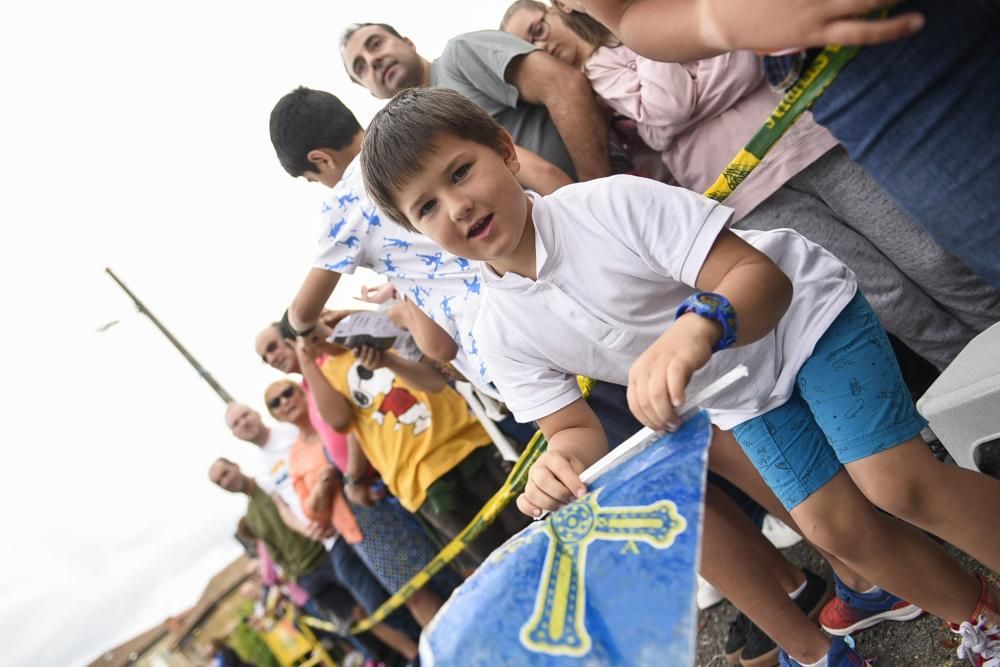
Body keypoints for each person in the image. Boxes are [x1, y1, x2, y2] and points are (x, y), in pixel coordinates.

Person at [358, 86, 1000, 667]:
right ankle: (981, 617)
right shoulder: (496, 332)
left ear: (505, 150)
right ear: (420, 235)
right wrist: (558, 469)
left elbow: (761, 280)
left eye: (461, 171)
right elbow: (573, 430)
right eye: (428, 207)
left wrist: (696, 327)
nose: (458, 205)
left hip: (806, 320)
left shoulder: (607, 204)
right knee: (835, 531)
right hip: (742, 394)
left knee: (895, 484)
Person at [500, 0, 1000, 371]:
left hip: (812, 142)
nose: (542, 44)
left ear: (561, 9)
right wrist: (688, 52)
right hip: (749, 197)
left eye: (539, 27)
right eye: (530, 45)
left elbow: (747, 53)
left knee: (932, 255)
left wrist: (693, 63)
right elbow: (666, 111)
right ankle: (977, 392)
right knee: (889, 297)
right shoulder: (595, 77)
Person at [256, 322, 524, 570]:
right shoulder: (321, 378)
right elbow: (341, 422)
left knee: (528, 524)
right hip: (420, 482)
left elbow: (434, 379)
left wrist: (383, 354)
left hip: (468, 446)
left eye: (315, 321)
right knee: (496, 561)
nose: (315, 333)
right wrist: (307, 360)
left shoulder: (374, 330)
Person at [263, 377, 451, 626]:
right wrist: (322, 486)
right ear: (275, 416)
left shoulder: (329, 418)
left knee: (448, 567)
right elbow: (312, 513)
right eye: (275, 403)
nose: (285, 402)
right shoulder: (295, 458)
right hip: (359, 529)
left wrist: (353, 474)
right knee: (413, 593)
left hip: (392, 496)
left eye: (287, 393)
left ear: (300, 392)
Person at [339, 21, 612, 182]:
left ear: (408, 42)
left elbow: (564, 86)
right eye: (360, 67)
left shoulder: (460, 57)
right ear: (371, 92)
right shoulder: (414, 140)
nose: (372, 61)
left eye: (375, 44)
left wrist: (596, 194)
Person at [207, 458, 420, 661]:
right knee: (359, 615)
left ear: (235, 466)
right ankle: (413, 655)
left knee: (378, 598)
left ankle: (424, 638)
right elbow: (274, 553)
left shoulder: (271, 482)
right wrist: (294, 577)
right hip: (307, 577)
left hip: (326, 554)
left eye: (225, 473)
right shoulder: (251, 516)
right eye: (220, 481)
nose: (226, 480)